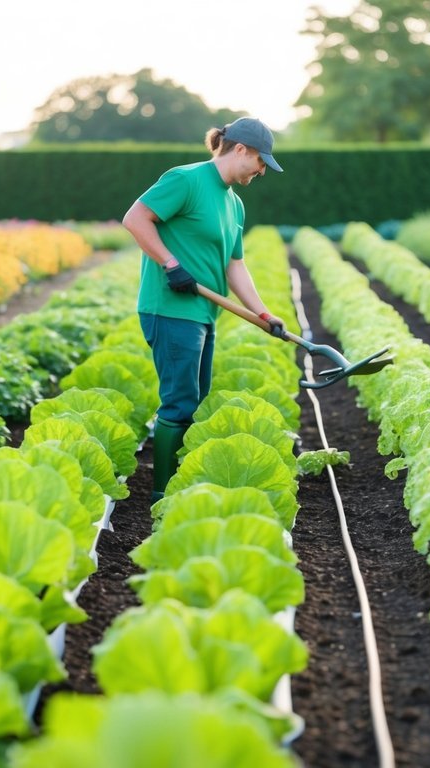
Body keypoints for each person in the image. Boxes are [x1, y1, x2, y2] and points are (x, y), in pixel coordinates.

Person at [121, 116, 287, 503]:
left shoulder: (235, 204)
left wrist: (263, 313)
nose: (263, 171)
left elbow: (235, 265)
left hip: (204, 313)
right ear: (241, 149)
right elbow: (135, 218)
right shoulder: (187, 179)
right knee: (179, 402)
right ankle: (162, 493)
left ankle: (181, 483)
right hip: (170, 308)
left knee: (196, 400)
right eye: (262, 162)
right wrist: (170, 263)